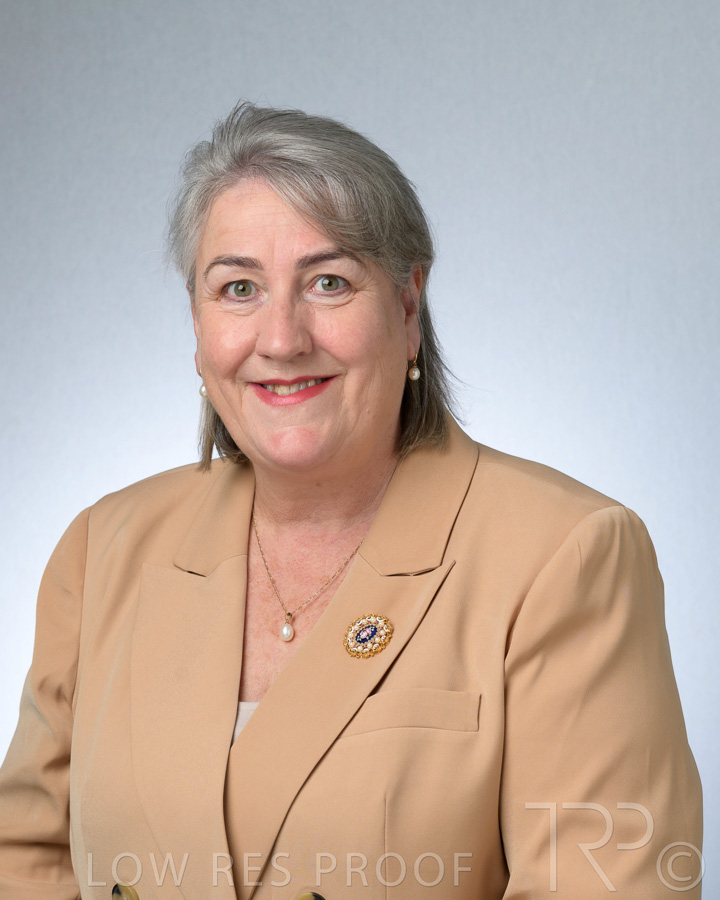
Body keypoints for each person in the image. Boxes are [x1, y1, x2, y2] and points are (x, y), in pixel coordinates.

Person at [0, 102, 702, 900]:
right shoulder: (104, 548)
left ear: (406, 307)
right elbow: (23, 862)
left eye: (328, 282)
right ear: (197, 326)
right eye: (238, 288)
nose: (282, 338)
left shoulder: (565, 555)